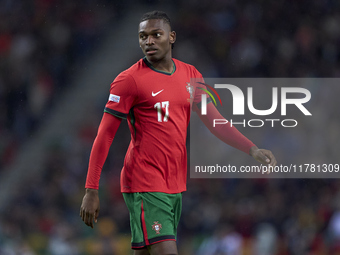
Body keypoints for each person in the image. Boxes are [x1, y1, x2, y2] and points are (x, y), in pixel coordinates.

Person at [80, 10, 277, 255]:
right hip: (144, 181)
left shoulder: (191, 75)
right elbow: (105, 134)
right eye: (143, 36)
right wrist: (91, 189)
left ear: (171, 37)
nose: (148, 41)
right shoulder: (128, 80)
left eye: (155, 34)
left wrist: (252, 149)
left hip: (174, 183)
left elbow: (214, 121)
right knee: (167, 251)